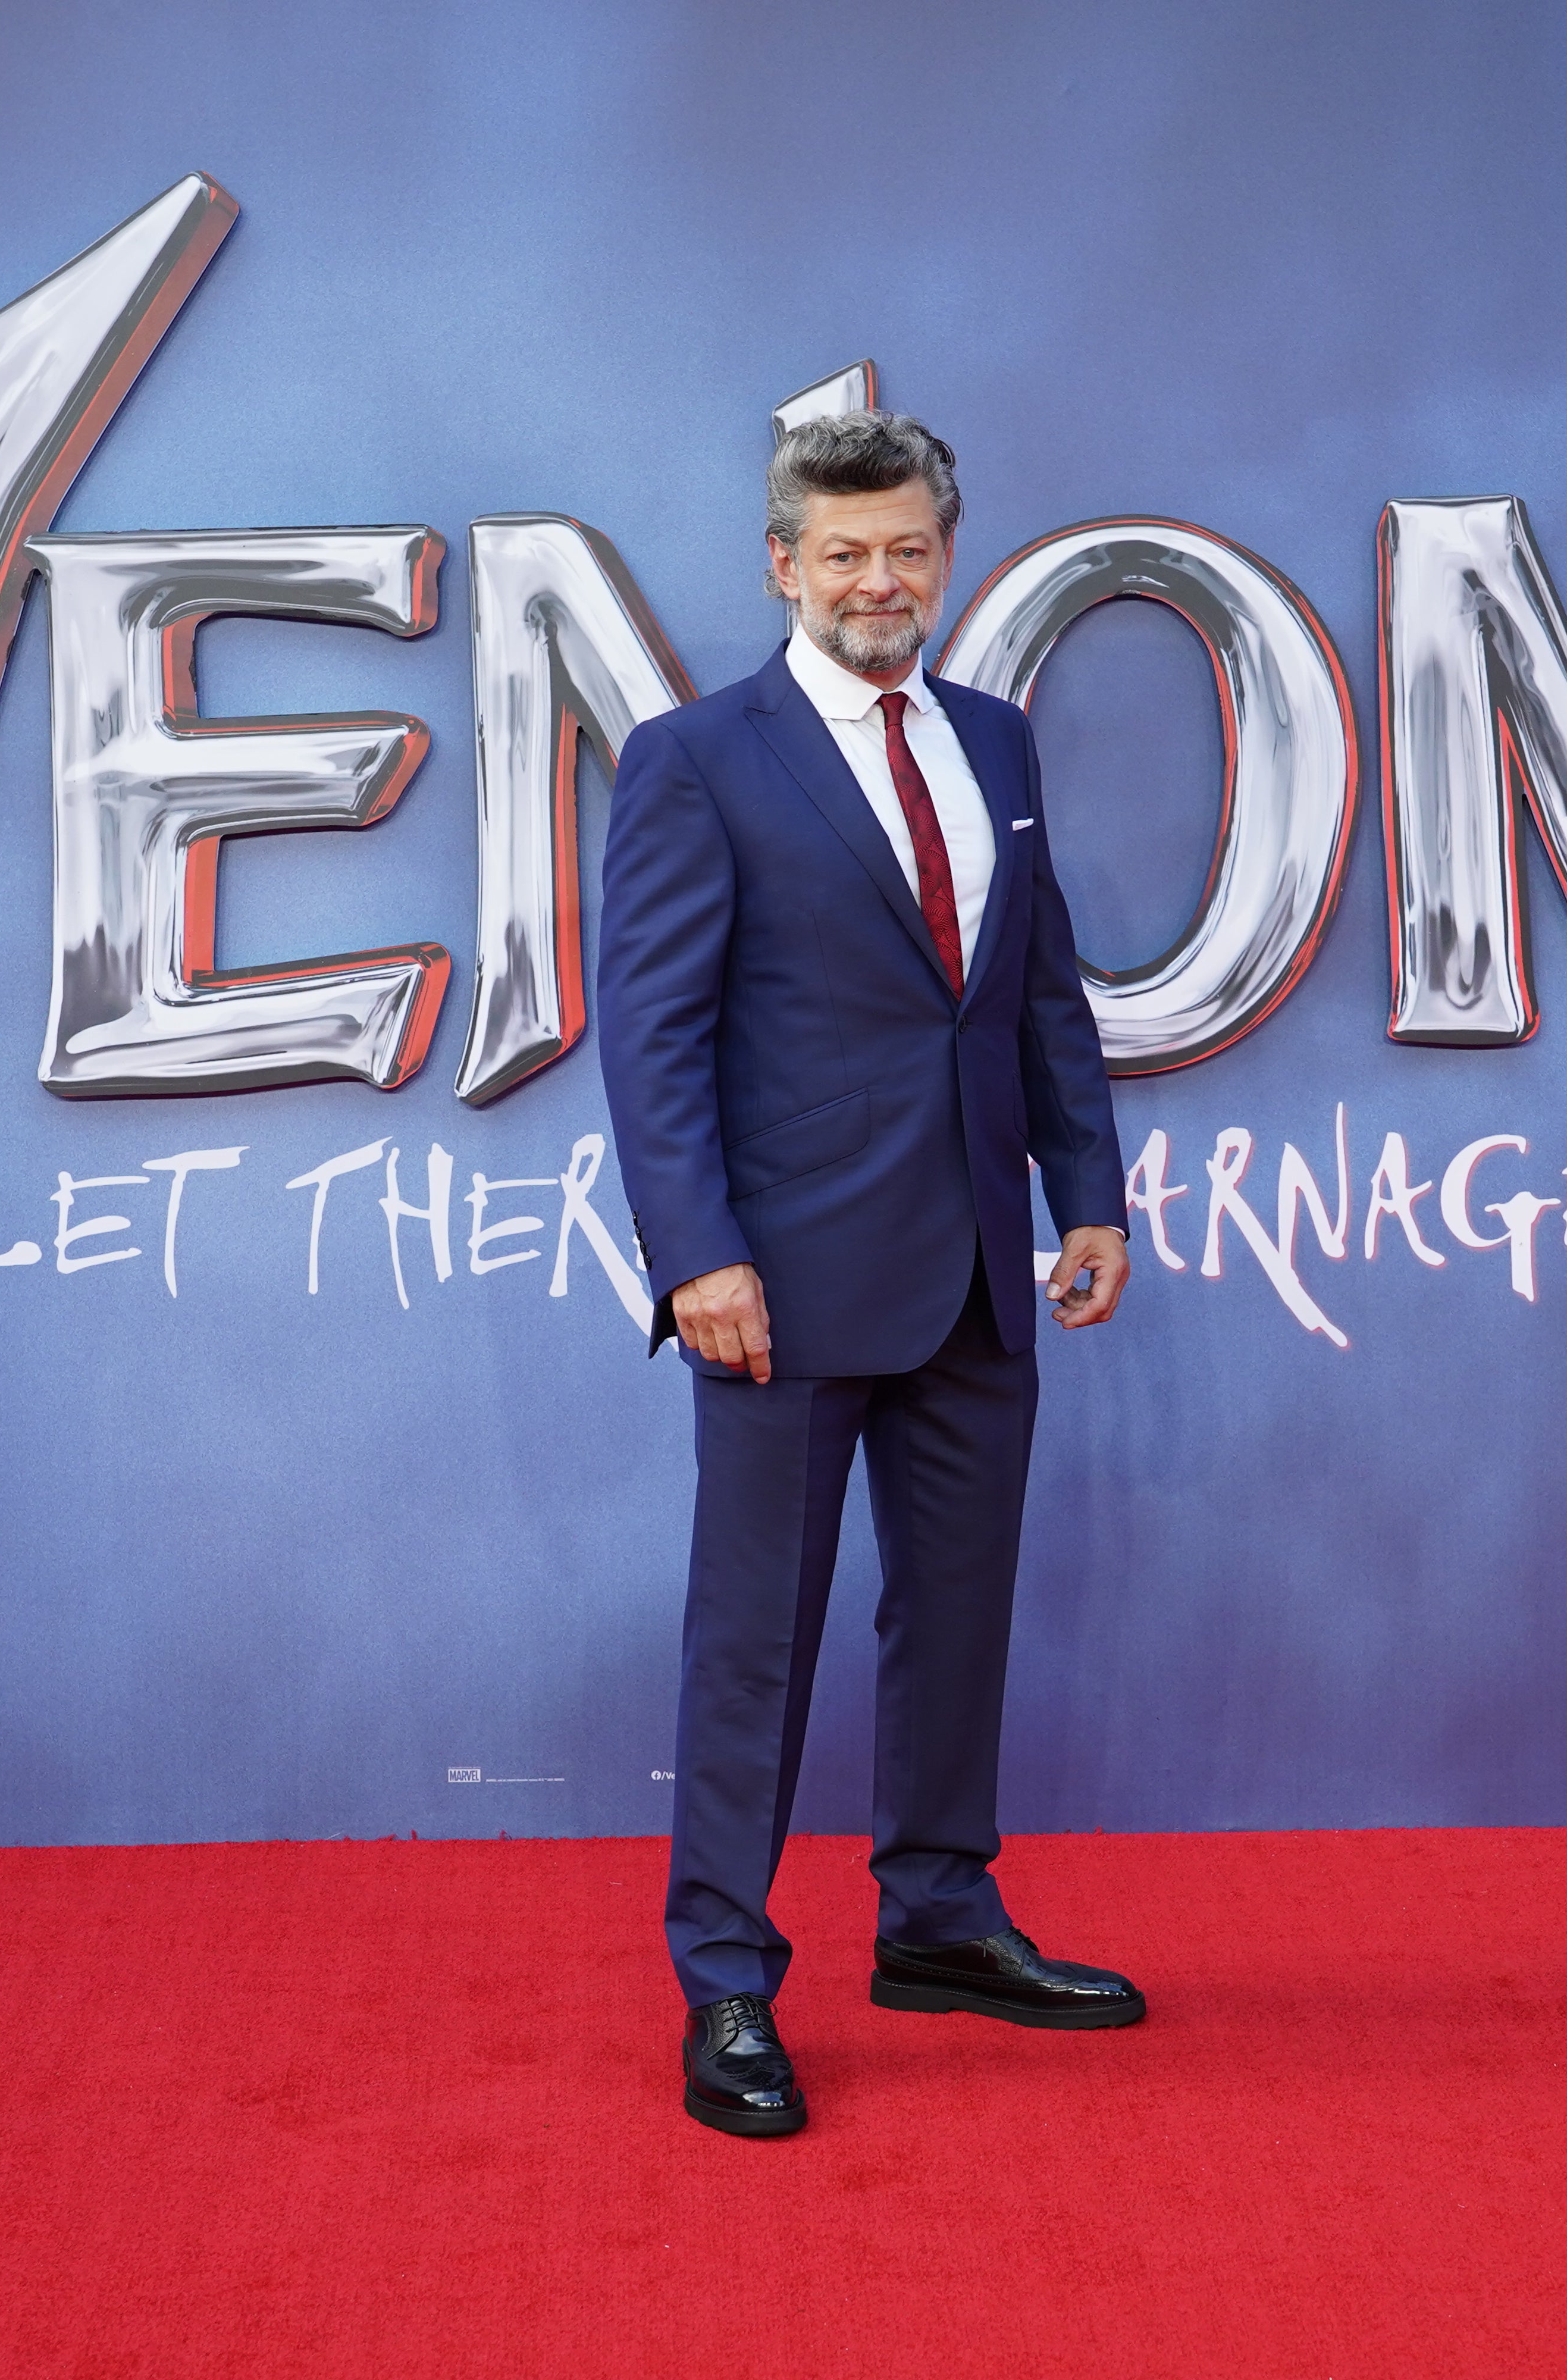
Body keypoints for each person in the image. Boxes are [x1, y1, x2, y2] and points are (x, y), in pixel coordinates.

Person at [597, 410, 1142, 2138]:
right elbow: (654, 1036)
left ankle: (943, 1921)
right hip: (782, 1283)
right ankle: (728, 1989)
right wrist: (698, 1258)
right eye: (842, 553)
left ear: (945, 556)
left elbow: (1040, 995)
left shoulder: (997, 741)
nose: (877, 579)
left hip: (982, 1265)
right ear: (783, 565)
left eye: (905, 548)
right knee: (754, 1643)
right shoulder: (699, 759)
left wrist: (1089, 1195)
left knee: (957, 1615)